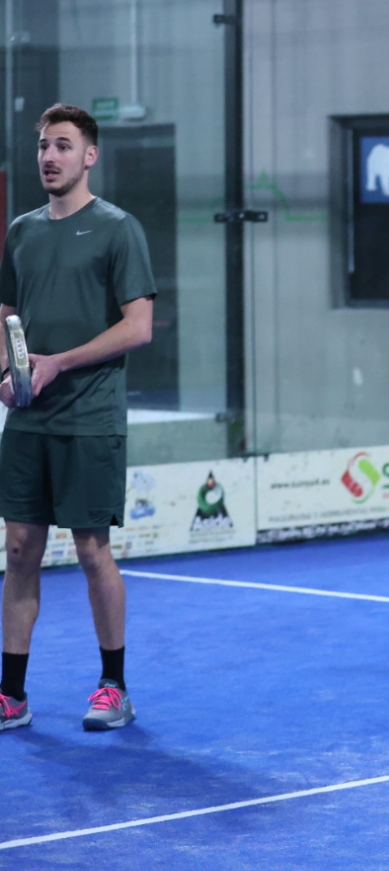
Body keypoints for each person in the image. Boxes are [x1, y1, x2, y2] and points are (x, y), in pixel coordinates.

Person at [0, 103, 156, 732]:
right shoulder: (21, 232)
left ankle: (114, 687)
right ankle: (11, 695)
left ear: (90, 156)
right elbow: (7, 320)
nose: (49, 156)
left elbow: (138, 327)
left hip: (91, 418)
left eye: (63, 145)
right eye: (43, 145)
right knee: (19, 550)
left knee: (92, 552)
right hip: (28, 421)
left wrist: (59, 362)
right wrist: (7, 372)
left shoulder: (119, 229)